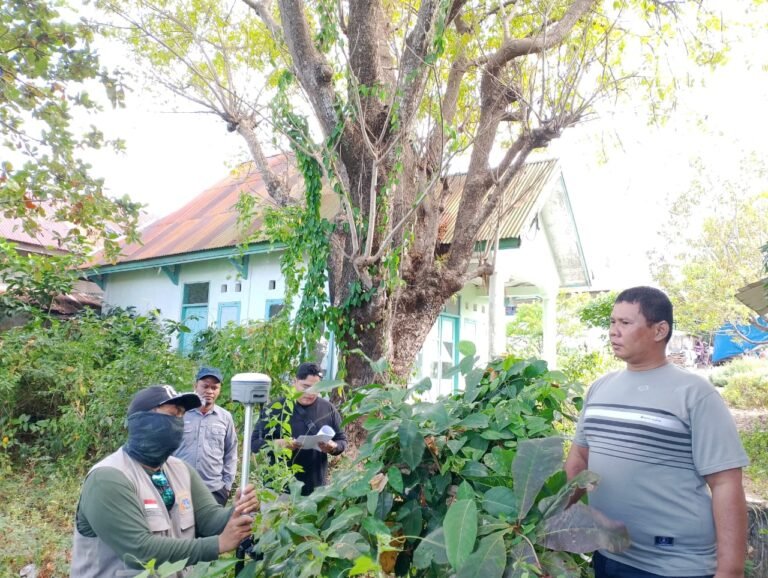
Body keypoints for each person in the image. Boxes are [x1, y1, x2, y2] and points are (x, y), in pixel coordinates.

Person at [565, 287, 748, 578]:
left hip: (675, 566)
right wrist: (555, 523)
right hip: (608, 554)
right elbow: (578, 461)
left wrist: (731, 570)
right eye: (612, 322)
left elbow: (726, 483)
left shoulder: (694, 394)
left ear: (660, 330)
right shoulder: (600, 389)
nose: (614, 331)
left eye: (625, 323)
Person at [70, 385, 258, 577]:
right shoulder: (108, 478)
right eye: (172, 414)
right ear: (143, 421)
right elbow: (141, 550)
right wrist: (217, 544)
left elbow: (209, 520)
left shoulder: (181, 470)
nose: (178, 422)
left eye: (181, 415)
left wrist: (237, 511)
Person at [252, 362, 347, 495]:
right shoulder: (276, 408)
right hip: (279, 489)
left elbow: (342, 440)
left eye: (316, 388)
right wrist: (278, 444)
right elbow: (255, 443)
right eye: (305, 386)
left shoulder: (328, 409)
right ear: (294, 381)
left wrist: (333, 446)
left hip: (315, 490)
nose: (310, 393)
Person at [173, 367, 237, 506]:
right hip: (181, 486)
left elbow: (231, 452)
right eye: (205, 386)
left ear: (219, 390)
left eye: (214, 387)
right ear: (195, 386)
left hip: (214, 490)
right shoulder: (180, 414)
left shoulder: (225, 418)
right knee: (181, 527)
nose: (209, 391)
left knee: (213, 528)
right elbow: (167, 447)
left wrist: (227, 486)